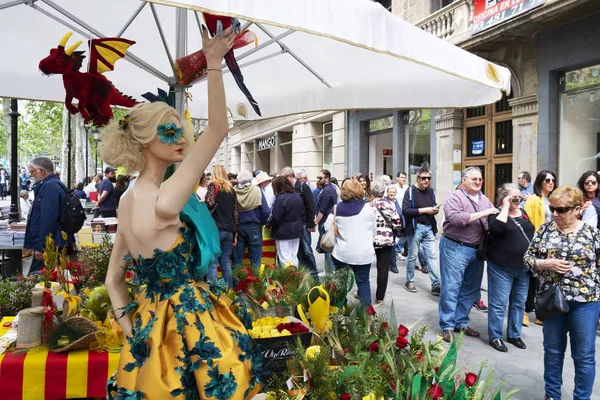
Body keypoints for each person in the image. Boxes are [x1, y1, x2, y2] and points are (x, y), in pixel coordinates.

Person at [103, 26, 260, 399]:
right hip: (191, 321)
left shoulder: (126, 201)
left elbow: (113, 281)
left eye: (180, 132)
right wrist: (214, 64)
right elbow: (219, 128)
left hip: (149, 324)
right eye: (169, 133)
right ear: (143, 140)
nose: (180, 139)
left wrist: (135, 336)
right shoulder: (166, 199)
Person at [523, 185, 600, 400]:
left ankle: (582, 397)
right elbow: (527, 259)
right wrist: (545, 263)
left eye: (561, 209)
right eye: (552, 208)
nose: (555, 213)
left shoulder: (592, 233)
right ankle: (552, 395)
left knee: (584, 356)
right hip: (551, 301)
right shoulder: (545, 230)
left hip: (585, 302)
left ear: (577, 209)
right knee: (553, 352)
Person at [438, 166, 498, 343]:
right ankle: (447, 326)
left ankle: (460, 322)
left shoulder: (484, 199)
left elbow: (492, 221)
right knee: (451, 287)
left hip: (476, 250)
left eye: (480, 179)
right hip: (455, 247)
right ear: (464, 180)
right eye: (474, 179)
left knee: (471, 289)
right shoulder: (454, 198)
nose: (478, 182)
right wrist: (484, 213)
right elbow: (457, 219)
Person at [486, 183, 534, 352]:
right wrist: (505, 206)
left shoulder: (524, 213)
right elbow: (496, 230)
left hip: (523, 268)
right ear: (504, 198)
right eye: (514, 197)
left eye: (519, 197)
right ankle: (496, 336)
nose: (517, 200)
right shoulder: (496, 214)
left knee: (519, 303)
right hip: (501, 267)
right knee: (499, 304)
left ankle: (514, 334)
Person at [324, 178, 377, 305]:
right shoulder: (368, 209)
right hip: (364, 253)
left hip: (342, 253)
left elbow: (327, 228)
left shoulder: (336, 209)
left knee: (341, 282)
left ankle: (341, 313)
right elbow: (373, 232)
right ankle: (366, 314)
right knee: (363, 281)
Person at [24, 157, 71, 275]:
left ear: (41, 171)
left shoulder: (49, 186)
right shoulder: (53, 184)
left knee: (36, 280)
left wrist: (41, 247)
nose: (31, 175)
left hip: (50, 244)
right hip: (53, 242)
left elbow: (47, 219)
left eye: (32, 171)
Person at [523, 169, 556, 327]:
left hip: (552, 245)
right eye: (547, 180)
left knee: (545, 281)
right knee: (531, 279)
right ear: (540, 182)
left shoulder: (554, 200)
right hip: (536, 243)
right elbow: (528, 222)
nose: (550, 183)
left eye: (553, 180)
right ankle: (524, 311)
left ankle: (540, 312)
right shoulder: (534, 200)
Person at [402, 167, 441, 295]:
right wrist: (425, 210)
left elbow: (432, 205)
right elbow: (406, 210)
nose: (426, 180)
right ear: (418, 178)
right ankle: (410, 281)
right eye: (423, 178)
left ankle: (436, 284)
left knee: (432, 256)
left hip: (429, 227)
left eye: (429, 178)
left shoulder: (431, 191)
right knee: (412, 255)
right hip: (415, 228)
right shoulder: (410, 191)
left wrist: (435, 210)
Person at [205, 165, 239, 289]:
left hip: (216, 229)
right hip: (229, 230)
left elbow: (210, 203)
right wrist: (235, 233)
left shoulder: (213, 186)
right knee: (225, 262)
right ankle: (229, 290)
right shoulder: (231, 189)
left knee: (213, 263)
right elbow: (236, 212)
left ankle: (214, 291)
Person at [370, 180, 401, 306]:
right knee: (383, 270)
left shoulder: (368, 206)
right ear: (384, 191)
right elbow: (397, 224)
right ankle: (380, 297)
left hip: (370, 240)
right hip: (386, 241)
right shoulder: (390, 205)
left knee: (365, 268)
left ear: (372, 191)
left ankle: (362, 291)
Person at [232, 169, 270, 268]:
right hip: (254, 225)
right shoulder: (257, 190)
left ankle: (236, 282)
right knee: (255, 260)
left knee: (237, 259)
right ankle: (255, 282)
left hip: (238, 227)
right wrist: (261, 223)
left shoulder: (233, 191)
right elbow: (266, 211)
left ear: (238, 180)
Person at [268, 176, 304, 266]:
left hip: (283, 231)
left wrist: (268, 223)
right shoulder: (297, 196)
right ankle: (296, 277)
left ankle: (288, 279)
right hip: (296, 230)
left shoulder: (280, 199)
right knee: (293, 256)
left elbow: (276, 217)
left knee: (284, 258)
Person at [289, 168, 318, 275]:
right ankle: (303, 273)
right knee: (299, 250)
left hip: (304, 223)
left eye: (298, 178)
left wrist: (311, 224)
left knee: (306, 249)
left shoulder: (303, 187)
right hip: (296, 223)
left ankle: (314, 273)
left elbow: (311, 206)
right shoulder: (291, 188)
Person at [315, 169, 337, 274]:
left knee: (327, 245)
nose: (318, 180)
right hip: (327, 220)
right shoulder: (327, 189)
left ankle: (329, 270)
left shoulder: (328, 190)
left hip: (326, 221)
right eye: (318, 178)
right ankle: (328, 269)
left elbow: (323, 209)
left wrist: (316, 221)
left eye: (320, 178)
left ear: (327, 178)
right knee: (326, 245)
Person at [385, 186, 404, 274]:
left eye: (393, 192)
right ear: (387, 192)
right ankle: (393, 265)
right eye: (390, 192)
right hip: (388, 227)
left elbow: (400, 212)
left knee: (391, 246)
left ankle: (389, 264)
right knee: (392, 246)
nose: (392, 193)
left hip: (396, 227)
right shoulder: (385, 201)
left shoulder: (396, 201)